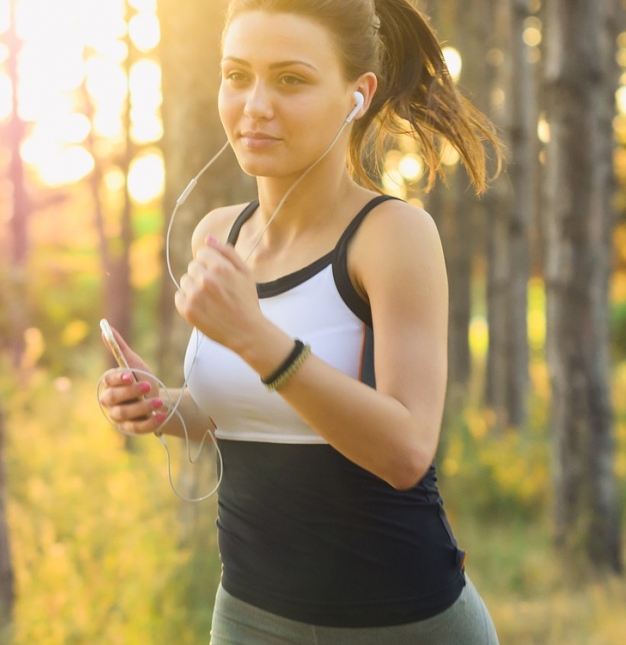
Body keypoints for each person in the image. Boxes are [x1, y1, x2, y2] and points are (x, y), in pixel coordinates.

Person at [98, 0, 504, 643]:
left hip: (406, 622)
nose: (255, 104)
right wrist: (164, 407)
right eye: (237, 75)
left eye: (290, 79)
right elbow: (252, 412)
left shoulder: (392, 236)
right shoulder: (218, 235)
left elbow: (405, 451)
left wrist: (258, 341)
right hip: (250, 616)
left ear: (357, 94)